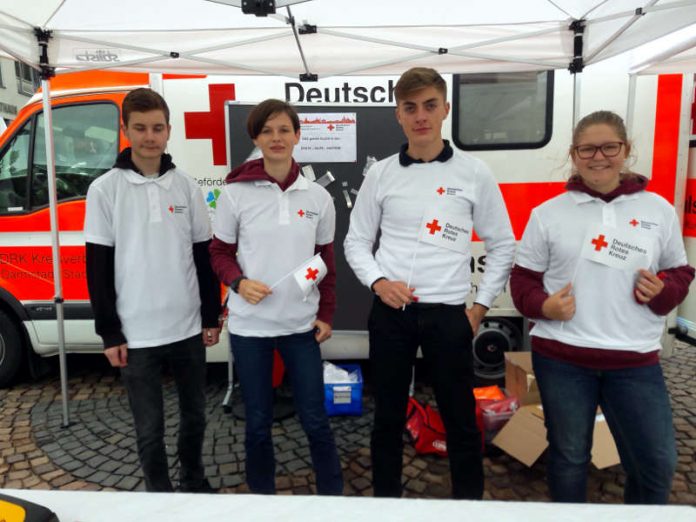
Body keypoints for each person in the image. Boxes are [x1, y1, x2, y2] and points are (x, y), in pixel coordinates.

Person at [344, 67, 515, 499]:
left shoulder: (475, 173)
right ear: (398, 115)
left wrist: (480, 307)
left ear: (445, 110)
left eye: (429, 105)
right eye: (410, 107)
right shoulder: (381, 174)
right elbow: (356, 241)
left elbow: (503, 244)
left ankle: (468, 505)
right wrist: (378, 281)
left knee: (459, 417)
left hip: (449, 315)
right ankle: (386, 503)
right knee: (386, 416)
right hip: (391, 315)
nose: (420, 115)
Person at [510, 110, 694, 504]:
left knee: (655, 463)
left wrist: (663, 291)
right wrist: (544, 306)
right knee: (569, 458)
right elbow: (521, 281)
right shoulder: (548, 214)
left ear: (626, 150)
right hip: (563, 360)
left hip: (635, 360)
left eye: (609, 147)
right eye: (587, 149)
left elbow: (680, 270)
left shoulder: (657, 210)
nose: (599, 157)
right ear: (574, 155)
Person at [84, 88, 221, 493]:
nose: (149, 137)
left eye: (157, 128)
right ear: (125, 130)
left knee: (195, 416)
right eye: (140, 128)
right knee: (149, 429)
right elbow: (98, 267)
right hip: (137, 332)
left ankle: (194, 482)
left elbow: (203, 257)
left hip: (186, 327)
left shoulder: (186, 187)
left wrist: (210, 316)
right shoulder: (105, 189)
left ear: (168, 131)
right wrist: (110, 332)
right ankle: (159, 499)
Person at [209, 99, 343, 495]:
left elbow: (326, 261)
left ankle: (333, 498)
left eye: (284, 129)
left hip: (301, 327)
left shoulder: (318, 198)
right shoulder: (235, 194)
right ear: (255, 138)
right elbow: (218, 253)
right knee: (257, 421)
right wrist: (237, 282)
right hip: (250, 329)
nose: (276, 138)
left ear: (298, 136)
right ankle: (262, 501)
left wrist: (328, 313)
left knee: (316, 418)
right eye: (267, 130)